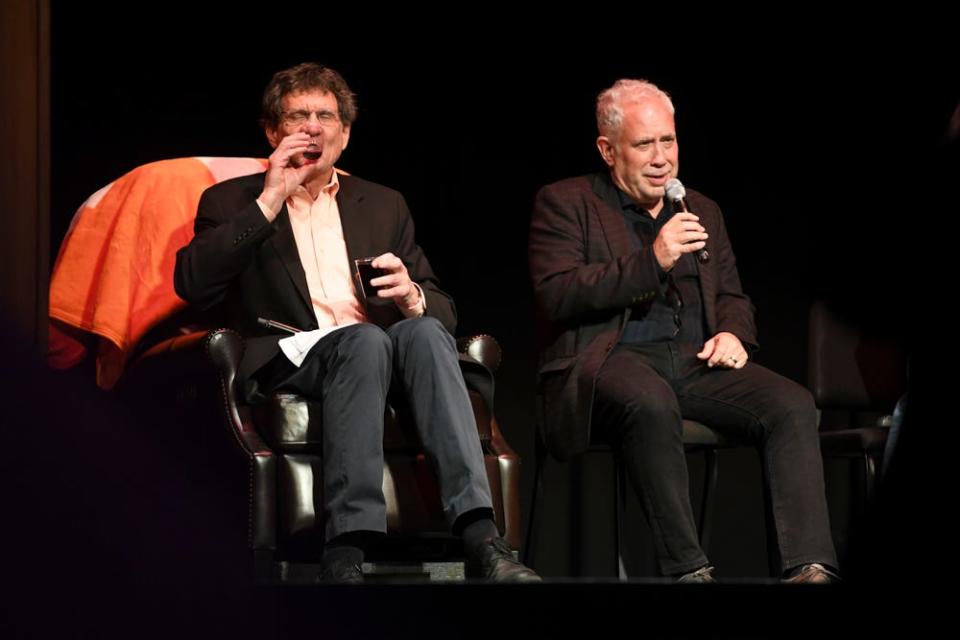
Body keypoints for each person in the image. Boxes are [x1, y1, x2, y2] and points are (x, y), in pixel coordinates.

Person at [174, 62, 538, 584]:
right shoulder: (231, 201)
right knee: (364, 340)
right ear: (273, 132)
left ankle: (482, 538)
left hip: (380, 348)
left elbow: (442, 307)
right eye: (298, 117)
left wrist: (410, 294)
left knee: (426, 330)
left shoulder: (383, 203)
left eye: (326, 116)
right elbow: (193, 284)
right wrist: (270, 198)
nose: (314, 127)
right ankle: (347, 545)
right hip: (294, 354)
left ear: (344, 134)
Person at [528, 78, 838, 583]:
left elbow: (733, 296)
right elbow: (559, 293)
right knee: (650, 402)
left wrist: (735, 334)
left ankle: (810, 569)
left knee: (792, 403)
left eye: (668, 141)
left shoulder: (700, 209)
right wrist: (654, 259)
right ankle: (688, 572)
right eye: (643, 144)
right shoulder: (567, 202)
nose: (661, 158)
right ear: (608, 150)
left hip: (693, 362)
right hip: (609, 361)